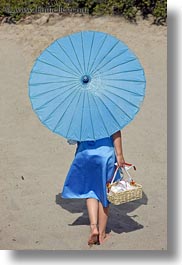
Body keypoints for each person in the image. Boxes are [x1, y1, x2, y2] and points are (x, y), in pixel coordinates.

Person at [61, 130, 125, 246]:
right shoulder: (107, 113)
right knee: (105, 193)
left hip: (85, 155)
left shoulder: (80, 114)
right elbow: (116, 133)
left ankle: (94, 227)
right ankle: (102, 233)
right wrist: (119, 155)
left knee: (90, 191)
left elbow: (74, 138)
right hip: (105, 156)